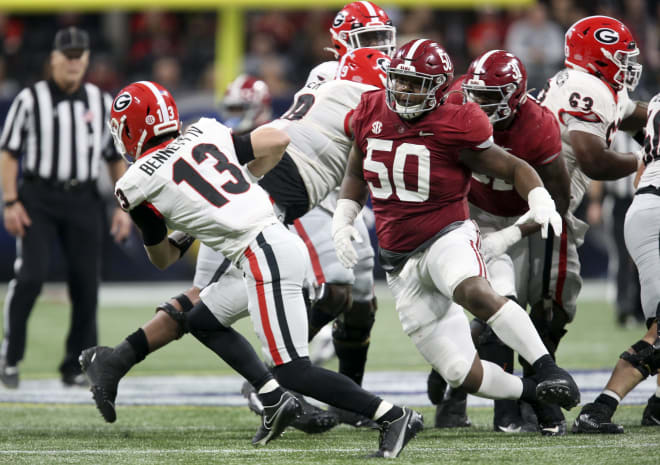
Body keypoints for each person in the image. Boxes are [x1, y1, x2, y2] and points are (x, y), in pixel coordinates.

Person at [81, 79, 423, 457]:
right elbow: (276, 141)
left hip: (263, 255)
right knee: (201, 320)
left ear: (129, 129)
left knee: (296, 371)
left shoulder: (135, 182)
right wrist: (249, 182)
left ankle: (393, 415)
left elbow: (162, 259)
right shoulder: (205, 131)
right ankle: (274, 399)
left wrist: (183, 235)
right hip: (271, 242)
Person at [332, 39, 581, 424]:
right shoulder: (370, 108)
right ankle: (534, 391)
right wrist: (342, 219)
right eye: (398, 80)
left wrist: (539, 199)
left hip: (447, 232)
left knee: (472, 289)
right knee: (459, 372)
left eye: (415, 84)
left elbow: (515, 167)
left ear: (438, 88)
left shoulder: (457, 120)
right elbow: (354, 171)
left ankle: (547, 368)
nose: (403, 90)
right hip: (399, 262)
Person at [427, 50, 572, 435]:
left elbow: (556, 196)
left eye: (491, 96)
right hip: (469, 212)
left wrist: (513, 234)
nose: (479, 103)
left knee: (531, 311)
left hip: (521, 219)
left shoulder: (537, 125)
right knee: (501, 305)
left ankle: (452, 383)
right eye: (475, 93)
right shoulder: (456, 100)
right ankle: (507, 412)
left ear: (516, 96)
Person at [527, 15, 650, 431]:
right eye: (620, 56)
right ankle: (530, 397)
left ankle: (528, 394)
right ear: (597, 58)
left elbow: (635, 114)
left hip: (544, 205)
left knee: (546, 301)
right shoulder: (589, 87)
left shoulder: (598, 87)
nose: (629, 63)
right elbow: (594, 160)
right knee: (550, 301)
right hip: (542, 208)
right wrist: (645, 159)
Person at [0, 27, 132, 389]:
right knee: (30, 276)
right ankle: (10, 356)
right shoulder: (30, 100)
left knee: (86, 284)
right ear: (54, 58)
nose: (74, 62)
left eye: (80, 56)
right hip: (39, 197)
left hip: (84, 198)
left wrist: (122, 207)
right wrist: (11, 202)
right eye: (67, 56)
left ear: (87, 59)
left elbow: (113, 158)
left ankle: (76, 364)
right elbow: (9, 153)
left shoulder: (101, 101)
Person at [572, 94, 660, 434]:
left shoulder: (653, 103)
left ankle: (656, 406)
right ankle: (599, 409)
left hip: (646, 205)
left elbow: (640, 174)